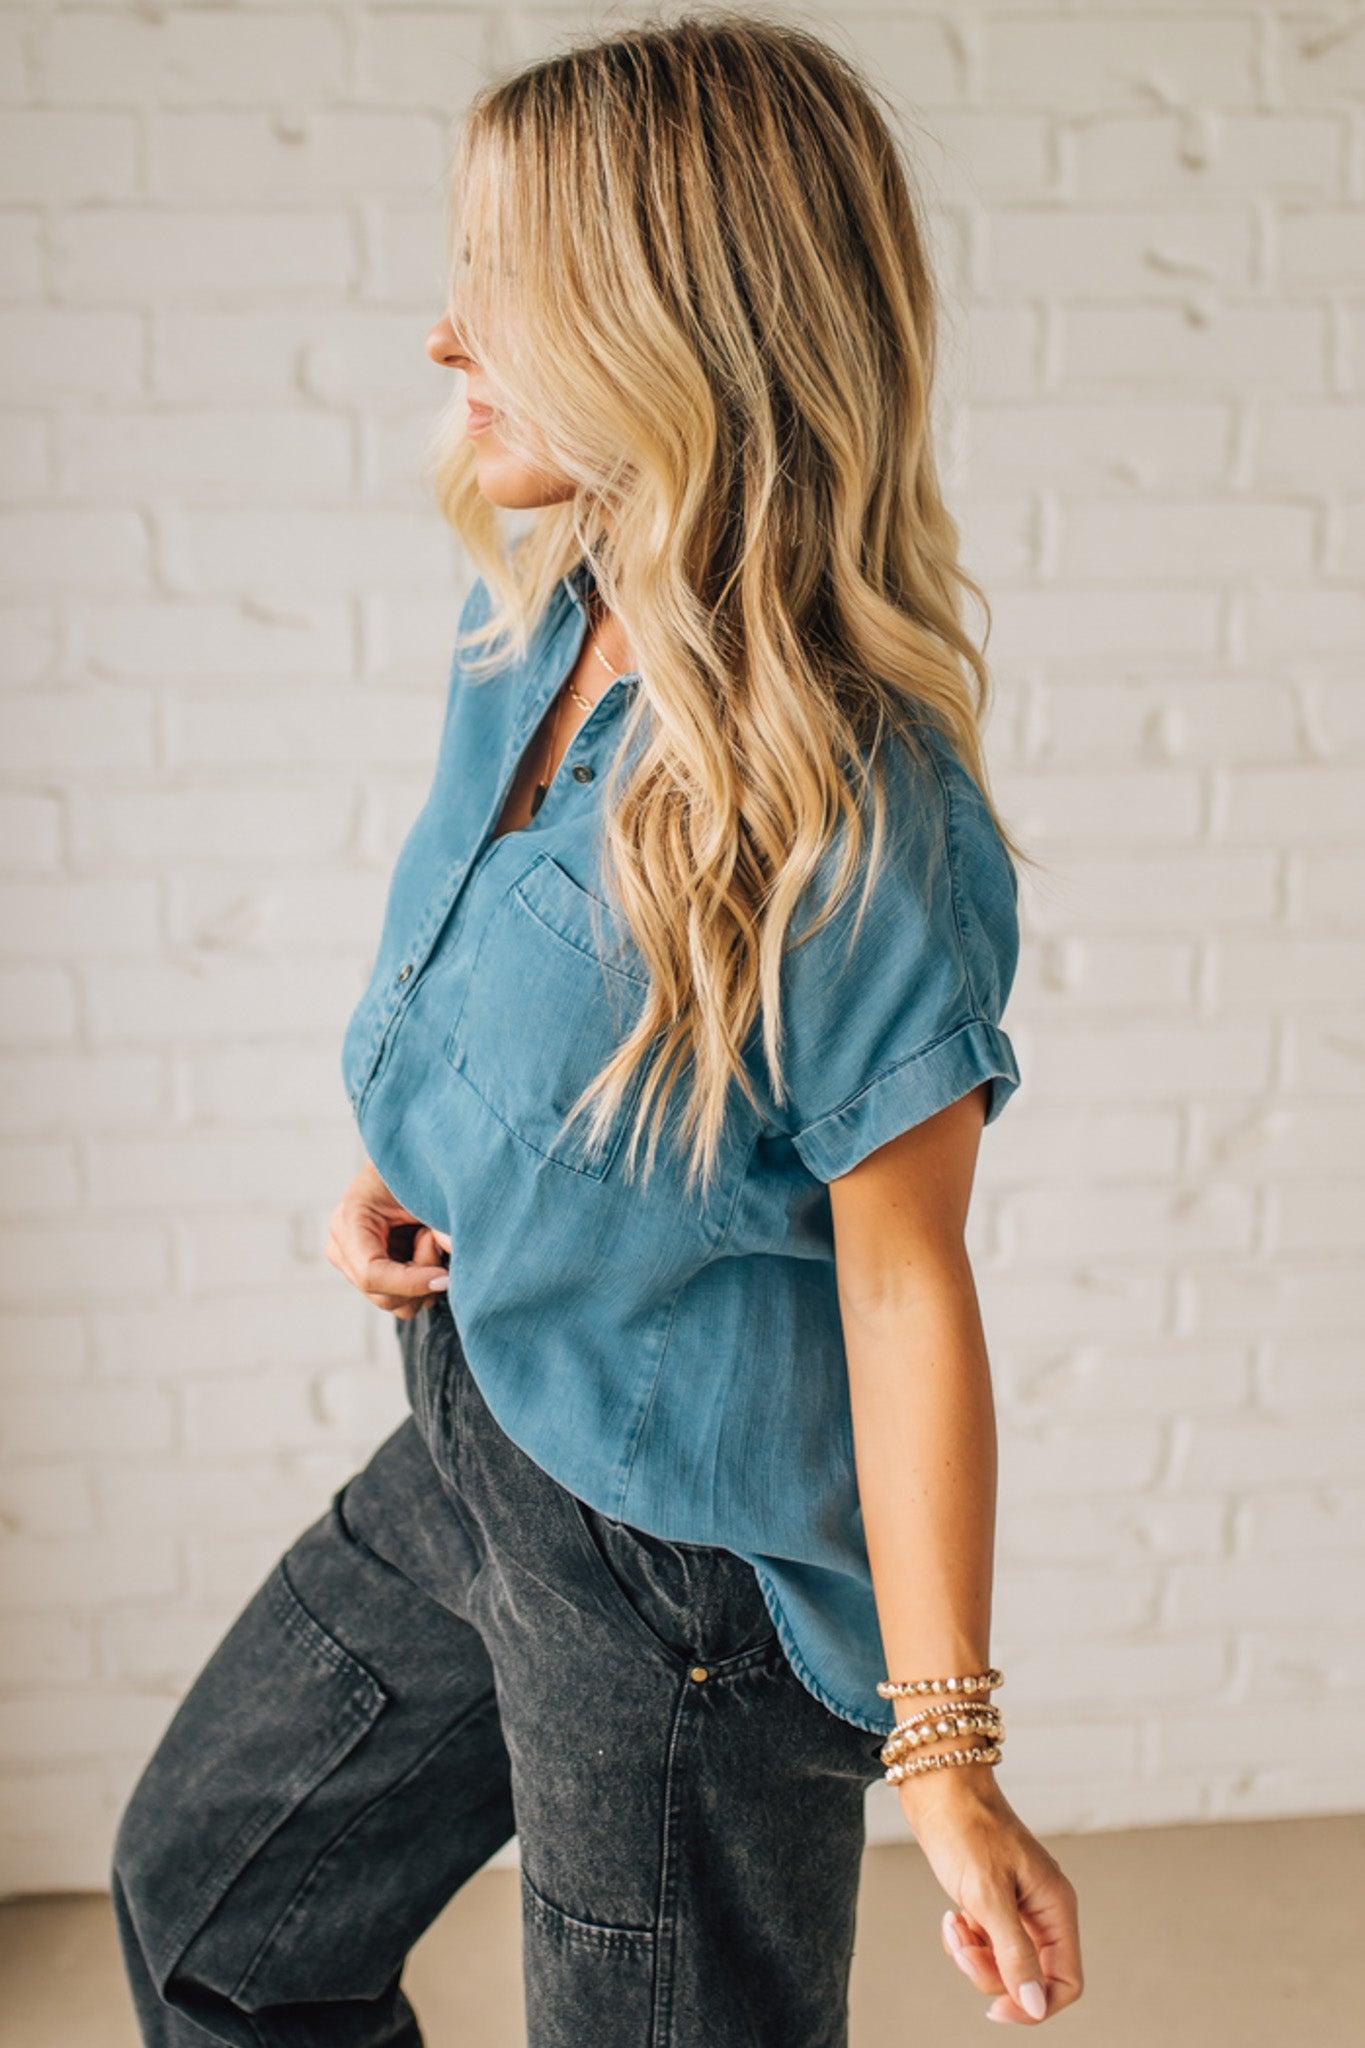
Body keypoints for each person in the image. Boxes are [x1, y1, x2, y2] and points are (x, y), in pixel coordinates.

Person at [110, 12, 1084, 2043]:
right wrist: (410, 1142)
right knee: (215, 1900)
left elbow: (904, 1296)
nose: (443, 340)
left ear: (679, 332)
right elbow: (497, 960)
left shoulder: (862, 821)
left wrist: (949, 1753)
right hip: (475, 1428)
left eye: (504, 291)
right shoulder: (544, 614)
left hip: (684, 1592)